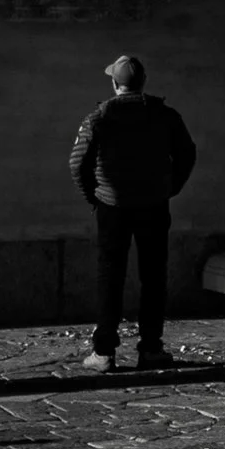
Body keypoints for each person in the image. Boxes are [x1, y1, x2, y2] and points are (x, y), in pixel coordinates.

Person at [67, 55, 196, 371]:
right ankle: (151, 348)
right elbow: (187, 154)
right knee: (153, 277)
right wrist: (169, 188)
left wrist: (94, 196)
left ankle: (104, 353)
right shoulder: (165, 115)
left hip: (112, 207)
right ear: (143, 82)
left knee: (110, 277)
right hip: (154, 205)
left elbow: (77, 162)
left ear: (114, 83)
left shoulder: (99, 118)